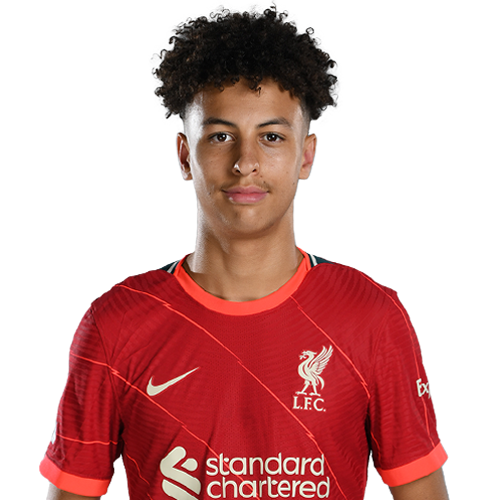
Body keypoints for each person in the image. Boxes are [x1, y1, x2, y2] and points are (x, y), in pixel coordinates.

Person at [42, 3, 448, 499]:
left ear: (306, 155)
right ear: (185, 157)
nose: (246, 162)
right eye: (221, 136)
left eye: (271, 137)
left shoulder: (373, 318)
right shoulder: (116, 325)